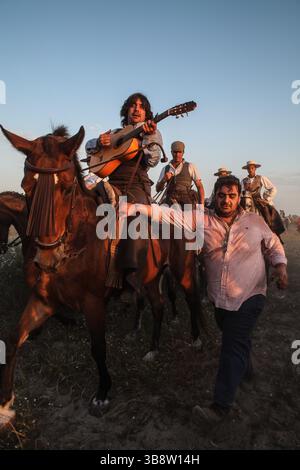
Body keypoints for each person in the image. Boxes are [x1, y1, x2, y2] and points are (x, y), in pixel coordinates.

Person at [191, 175, 288, 423]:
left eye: (232, 196)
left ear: (238, 197)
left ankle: (220, 406)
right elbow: (166, 215)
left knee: (231, 345)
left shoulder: (254, 220)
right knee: (233, 333)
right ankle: (247, 368)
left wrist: (280, 266)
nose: (226, 200)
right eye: (222, 195)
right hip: (220, 298)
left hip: (251, 294)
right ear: (215, 195)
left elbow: (273, 243)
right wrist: (130, 207)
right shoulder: (202, 220)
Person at [85, 93, 163, 292]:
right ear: (126, 111)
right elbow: (89, 148)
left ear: (146, 113)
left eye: (141, 106)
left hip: (136, 184)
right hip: (112, 182)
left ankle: (130, 274)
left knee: (134, 214)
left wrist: (149, 137)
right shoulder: (117, 132)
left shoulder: (152, 131)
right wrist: (98, 142)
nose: (136, 109)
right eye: (132, 105)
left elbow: (153, 160)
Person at [241, 160, 285, 237]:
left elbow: (273, 188)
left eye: (252, 168)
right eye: (249, 168)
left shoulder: (261, 178)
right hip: (247, 200)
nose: (250, 170)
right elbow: (241, 192)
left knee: (267, 211)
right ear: (247, 169)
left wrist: (266, 200)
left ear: (255, 169)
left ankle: (272, 231)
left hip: (258, 200)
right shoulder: (243, 181)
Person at [156, 141, 204, 207]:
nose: (177, 155)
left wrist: (201, 206)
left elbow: (199, 186)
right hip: (169, 202)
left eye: (179, 152)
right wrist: (164, 179)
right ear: (171, 152)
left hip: (187, 203)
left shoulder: (190, 166)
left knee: (189, 216)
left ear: (183, 152)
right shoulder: (165, 169)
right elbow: (157, 189)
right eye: (175, 152)